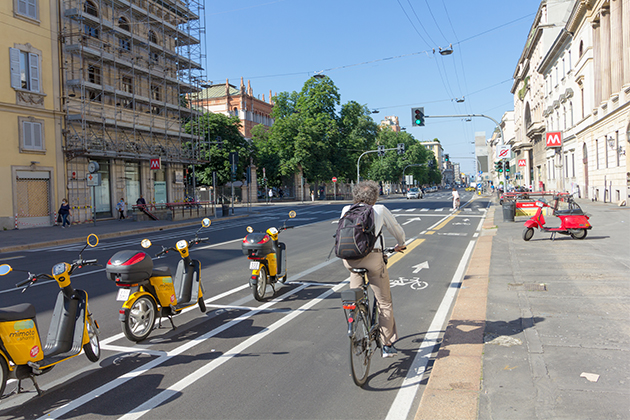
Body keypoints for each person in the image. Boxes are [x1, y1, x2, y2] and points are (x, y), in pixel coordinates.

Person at [340, 181, 406, 358]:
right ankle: (387, 344)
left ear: (356, 195)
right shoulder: (380, 210)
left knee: (355, 294)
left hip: (350, 260)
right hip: (373, 259)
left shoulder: (346, 209)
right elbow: (397, 231)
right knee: (384, 302)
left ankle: (355, 314)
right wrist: (401, 244)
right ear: (375, 197)